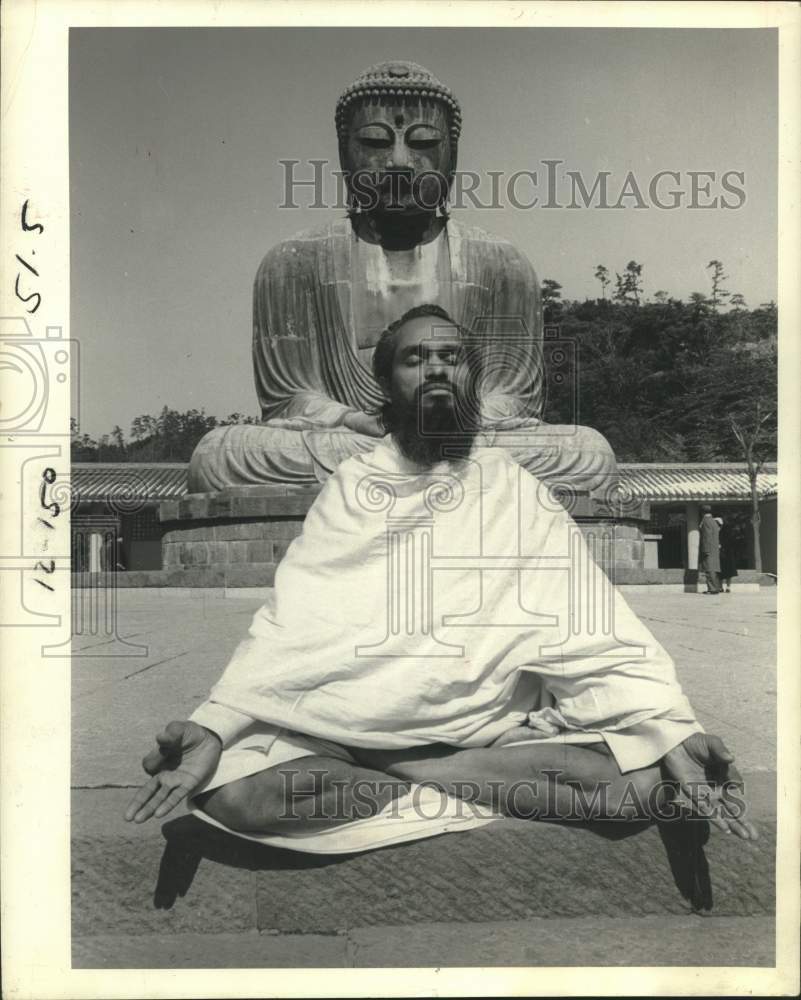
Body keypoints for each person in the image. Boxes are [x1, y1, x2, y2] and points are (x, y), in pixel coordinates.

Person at [126, 306, 756, 849]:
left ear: (475, 377)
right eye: (412, 359)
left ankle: (409, 767)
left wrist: (672, 729)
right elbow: (294, 625)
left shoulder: (516, 488)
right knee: (240, 798)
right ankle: (431, 769)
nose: (434, 369)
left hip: (487, 728)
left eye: (452, 356)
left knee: (636, 793)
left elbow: (592, 625)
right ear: (385, 385)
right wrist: (215, 724)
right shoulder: (350, 488)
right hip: (349, 728)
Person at [188, 60, 615, 494]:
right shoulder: (293, 263)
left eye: (424, 143)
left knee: (587, 452)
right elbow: (288, 400)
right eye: (374, 142)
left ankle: (405, 471)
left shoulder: (502, 264)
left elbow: (515, 398)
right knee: (221, 454)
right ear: (343, 154)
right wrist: (352, 418)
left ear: (451, 156)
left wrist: (453, 417)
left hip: (460, 438)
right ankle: (427, 474)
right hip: (356, 438)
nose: (398, 162)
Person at [699, 505, 722, 594]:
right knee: (714, 569)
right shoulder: (713, 521)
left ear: (702, 512)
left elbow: (706, 536)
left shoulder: (705, 521)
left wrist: (705, 549)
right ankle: (716, 587)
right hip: (715, 548)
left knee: (709, 569)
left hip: (708, 548)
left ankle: (712, 589)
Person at [718, 518, 738, 593]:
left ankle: (724, 587)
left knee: (725, 572)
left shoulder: (723, 532)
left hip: (725, 554)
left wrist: (721, 546)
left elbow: (729, 542)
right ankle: (724, 587)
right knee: (724, 572)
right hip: (725, 554)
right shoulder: (721, 532)